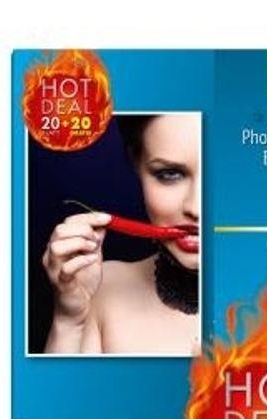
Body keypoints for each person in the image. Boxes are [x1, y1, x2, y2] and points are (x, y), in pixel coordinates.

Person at [42, 114, 200, 355]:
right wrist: (69, 323)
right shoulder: (101, 289)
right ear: (137, 163)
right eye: (169, 174)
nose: (196, 208)